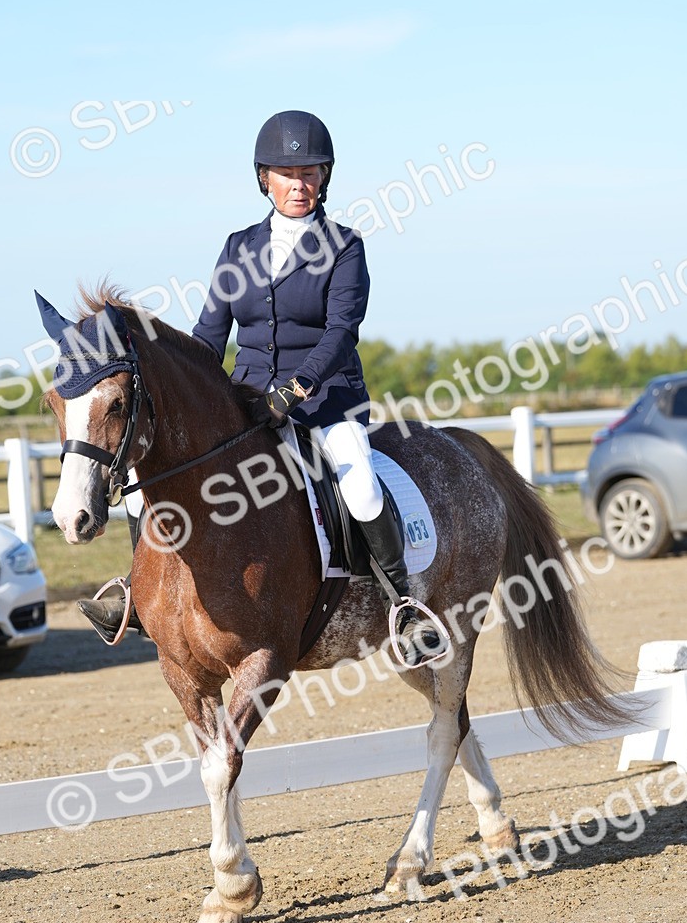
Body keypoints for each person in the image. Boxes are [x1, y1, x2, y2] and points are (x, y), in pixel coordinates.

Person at [80, 110, 445, 664]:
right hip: (247, 401)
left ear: (324, 178)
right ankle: (137, 592)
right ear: (264, 179)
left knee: (361, 487)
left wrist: (295, 390)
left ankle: (405, 605)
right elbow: (209, 336)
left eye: (309, 173)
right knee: (148, 472)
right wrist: (183, 385)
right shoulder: (238, 247)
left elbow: (341, 333)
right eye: (286, 174)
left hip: (326, 401)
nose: (298, 185)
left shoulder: (344, 246)